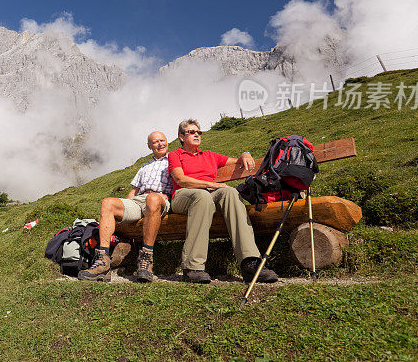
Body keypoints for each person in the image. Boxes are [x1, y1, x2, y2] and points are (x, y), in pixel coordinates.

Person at [169, 118, 278, 284]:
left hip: (209, 194)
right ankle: (193, 267)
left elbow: (238, 161)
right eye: (192, 132)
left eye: (199, 132)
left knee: (231, 193)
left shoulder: (210, 155)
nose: (197, 135)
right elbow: (181, 179)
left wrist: (245, 153)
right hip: (184, 195)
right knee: (202, 196)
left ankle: (250, 262)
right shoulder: (175, 155)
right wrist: (211, 184)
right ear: (181, 137)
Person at [78, 131, 172, 283]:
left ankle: (146, 259)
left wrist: (170, 196)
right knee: (107, 203)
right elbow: (134, 191)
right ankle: (102, 261)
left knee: (153, 198)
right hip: (140, 200)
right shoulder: (144, 167)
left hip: (159, 199)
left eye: (162, 140)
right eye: (155, 142)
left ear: (167, 142)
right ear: (149, 146)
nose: (160, 144)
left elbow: (181, 181)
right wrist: (125, 206)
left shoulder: (173, 161)